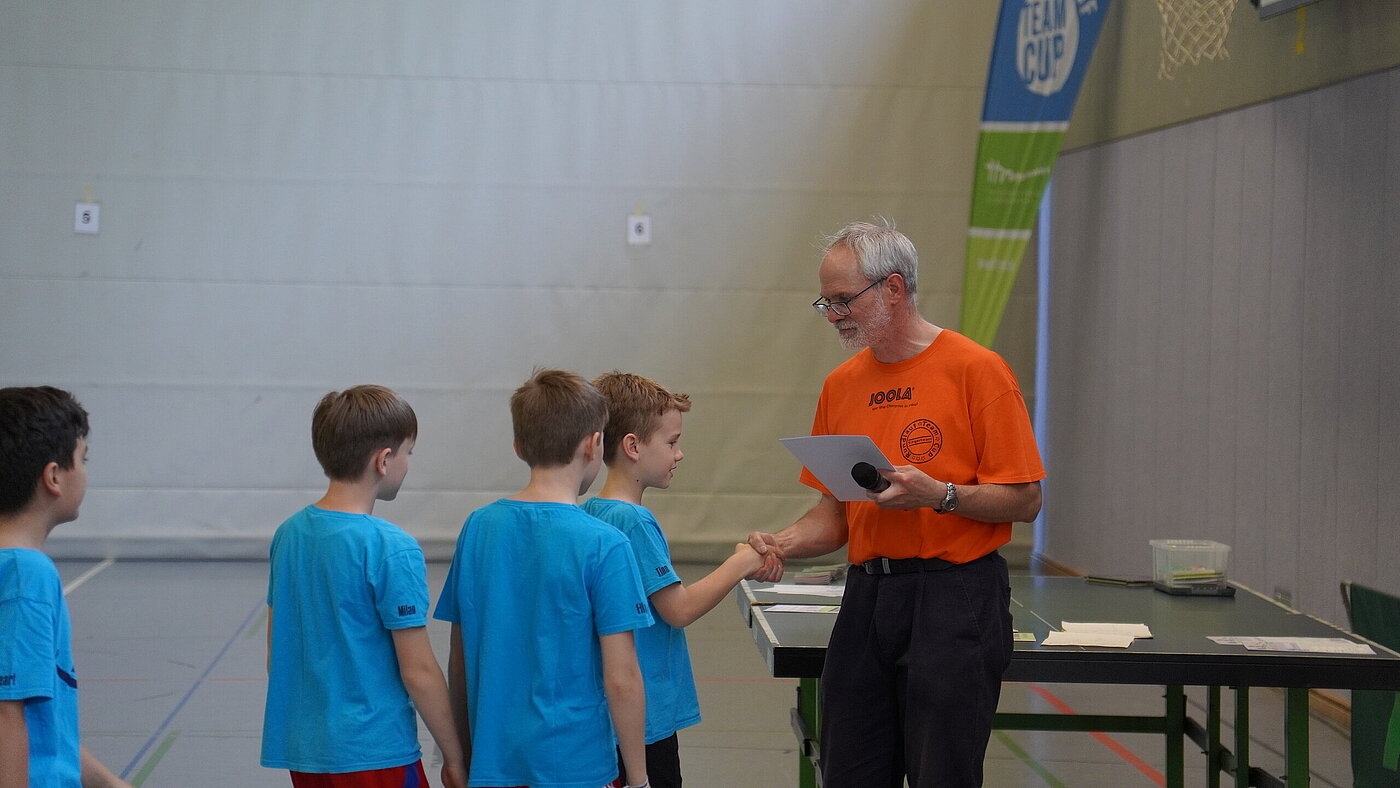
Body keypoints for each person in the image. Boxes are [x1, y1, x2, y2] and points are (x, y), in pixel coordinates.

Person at [747, 220, 1046, 787]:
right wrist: (780, 543)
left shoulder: (977, 370)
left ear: (892, 288)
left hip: (954, 597)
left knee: (942, 773)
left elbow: (1026, 499)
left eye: (843, 299)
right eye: (826, 302)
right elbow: (834, 516)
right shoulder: (840, 385)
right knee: (850, 770)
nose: (833, 314)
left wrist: (941, 496)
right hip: (868, 597)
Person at [434, 369, 652, 788]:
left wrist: (460, 755)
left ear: (518, 447)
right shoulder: (606, 545)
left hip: (493, 765)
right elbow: (622, 677)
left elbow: (459, 659)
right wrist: (639, 779)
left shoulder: (478, 528)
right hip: (576, 766)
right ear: (593, 444)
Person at [260, 385, 466, 788]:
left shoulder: (289, 534)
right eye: (409, 453)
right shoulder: (391, 547)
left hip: (306, 753)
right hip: (374, 751)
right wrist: (455, 756)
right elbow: (419, 671)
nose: (408, 463)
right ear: (384, 460)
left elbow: (277, 652)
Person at [582, 371, 763, 788]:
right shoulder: (634, 521)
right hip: (644, 721)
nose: (679, 454)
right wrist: (743, 562)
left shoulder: (592, 511)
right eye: (671, 442)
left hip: (607, 717)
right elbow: (678, 609)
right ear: (632, 446)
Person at [0, 387, 134, 788]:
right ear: (54, 476)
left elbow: (46, 731)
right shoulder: (26, 574)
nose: (86, 471)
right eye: (83, 459)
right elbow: (6, 716)